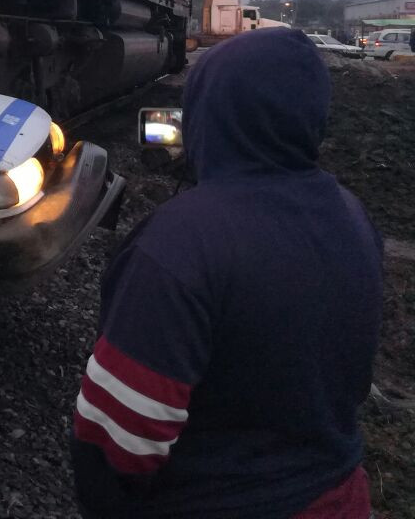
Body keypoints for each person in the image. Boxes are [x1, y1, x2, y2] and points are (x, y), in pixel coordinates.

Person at [70, 28, 384, 518]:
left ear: (212, 113)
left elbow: (118, 440)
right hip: (339, 495)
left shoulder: (177, 245)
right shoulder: (353, 215)